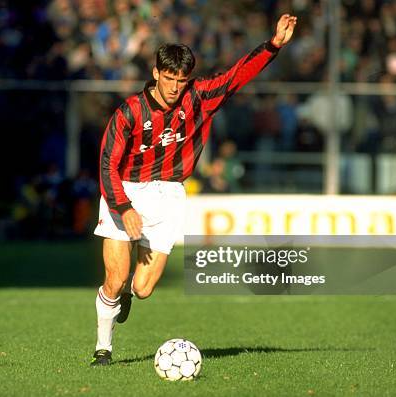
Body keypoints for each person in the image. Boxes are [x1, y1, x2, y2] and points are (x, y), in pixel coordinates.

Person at [90, 14, 297, 366]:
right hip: (124, 193)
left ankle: (127, 294)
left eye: (181, 80)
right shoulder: (129, 112)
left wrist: (273, 45)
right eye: (168, 78)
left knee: (142, 288)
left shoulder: (198, 98)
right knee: (114, 278)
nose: (174, 87)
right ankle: (103, 349)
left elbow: (236, 77)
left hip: (169, 197)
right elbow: (107, 163)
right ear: (155, 72)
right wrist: (124, 206)